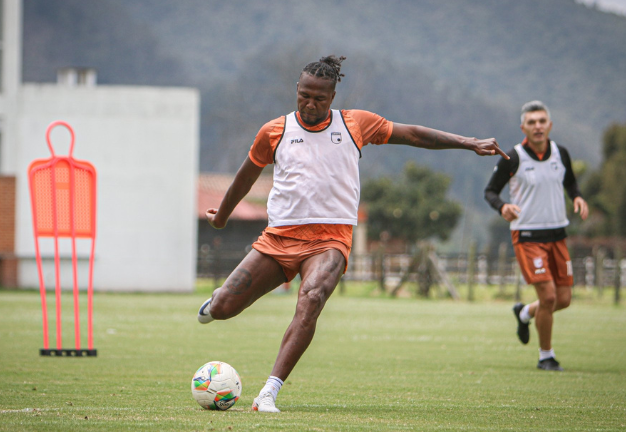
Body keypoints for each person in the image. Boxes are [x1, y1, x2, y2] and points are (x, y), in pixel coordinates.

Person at [199, 55, 507, 412]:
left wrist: (468, 142)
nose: (310, 104)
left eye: (319, 98)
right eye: (304, 95)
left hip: (331, 239)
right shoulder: (274, 131)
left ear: (332, 97)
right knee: (223, 308)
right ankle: (216, 300)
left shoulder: (355, 124)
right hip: (279, 237)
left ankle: (268, 391)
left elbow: (414, 135)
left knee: (311, 298)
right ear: (296, 90)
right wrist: (221, 217)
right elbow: (245, 176)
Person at [484, 100, 588, 371]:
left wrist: (577, 197)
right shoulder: (513, 157)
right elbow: (490, 191)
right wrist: (503, 206)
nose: (538, 126)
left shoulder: (560, 154)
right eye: (532, 122)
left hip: (558, 235)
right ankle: (546, 357)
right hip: (528, 236)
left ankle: (525, 312)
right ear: (523, 127)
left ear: (549, 125)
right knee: (549, 297)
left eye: (542, 121)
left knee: (563, 299)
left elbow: (570, 182)